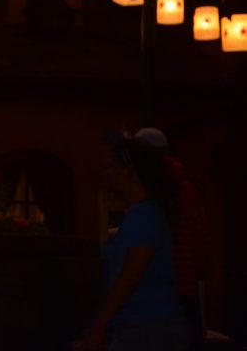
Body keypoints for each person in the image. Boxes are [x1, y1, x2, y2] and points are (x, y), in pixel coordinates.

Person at [72, 135, 190, 351]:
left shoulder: (145, 215)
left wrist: (99, 325)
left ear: (130, 171)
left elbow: (130, 275)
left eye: (112, 167)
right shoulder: (141, 215)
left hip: (147, 326)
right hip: (143, 324)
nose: (106, 174)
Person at [133, 127, 210, 350]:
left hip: (159, 290)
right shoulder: (185, 189)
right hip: (183, 286)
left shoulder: (149, 191)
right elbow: (201, 236)